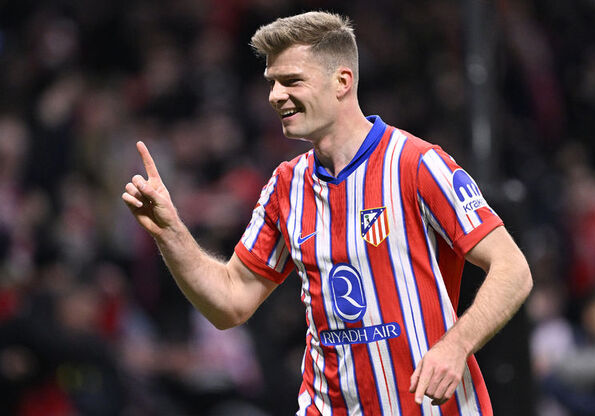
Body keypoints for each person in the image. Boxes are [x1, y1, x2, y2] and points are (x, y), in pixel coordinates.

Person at [122, 11, 532, 415]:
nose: (275, 95)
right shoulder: (285, 186)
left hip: (429, 407)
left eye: (291, 81)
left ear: (342, 81)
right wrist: (170, 232)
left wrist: (456, 345)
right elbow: (230, 301)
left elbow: (512, 269)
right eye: (271, 82)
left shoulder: (417, 164)